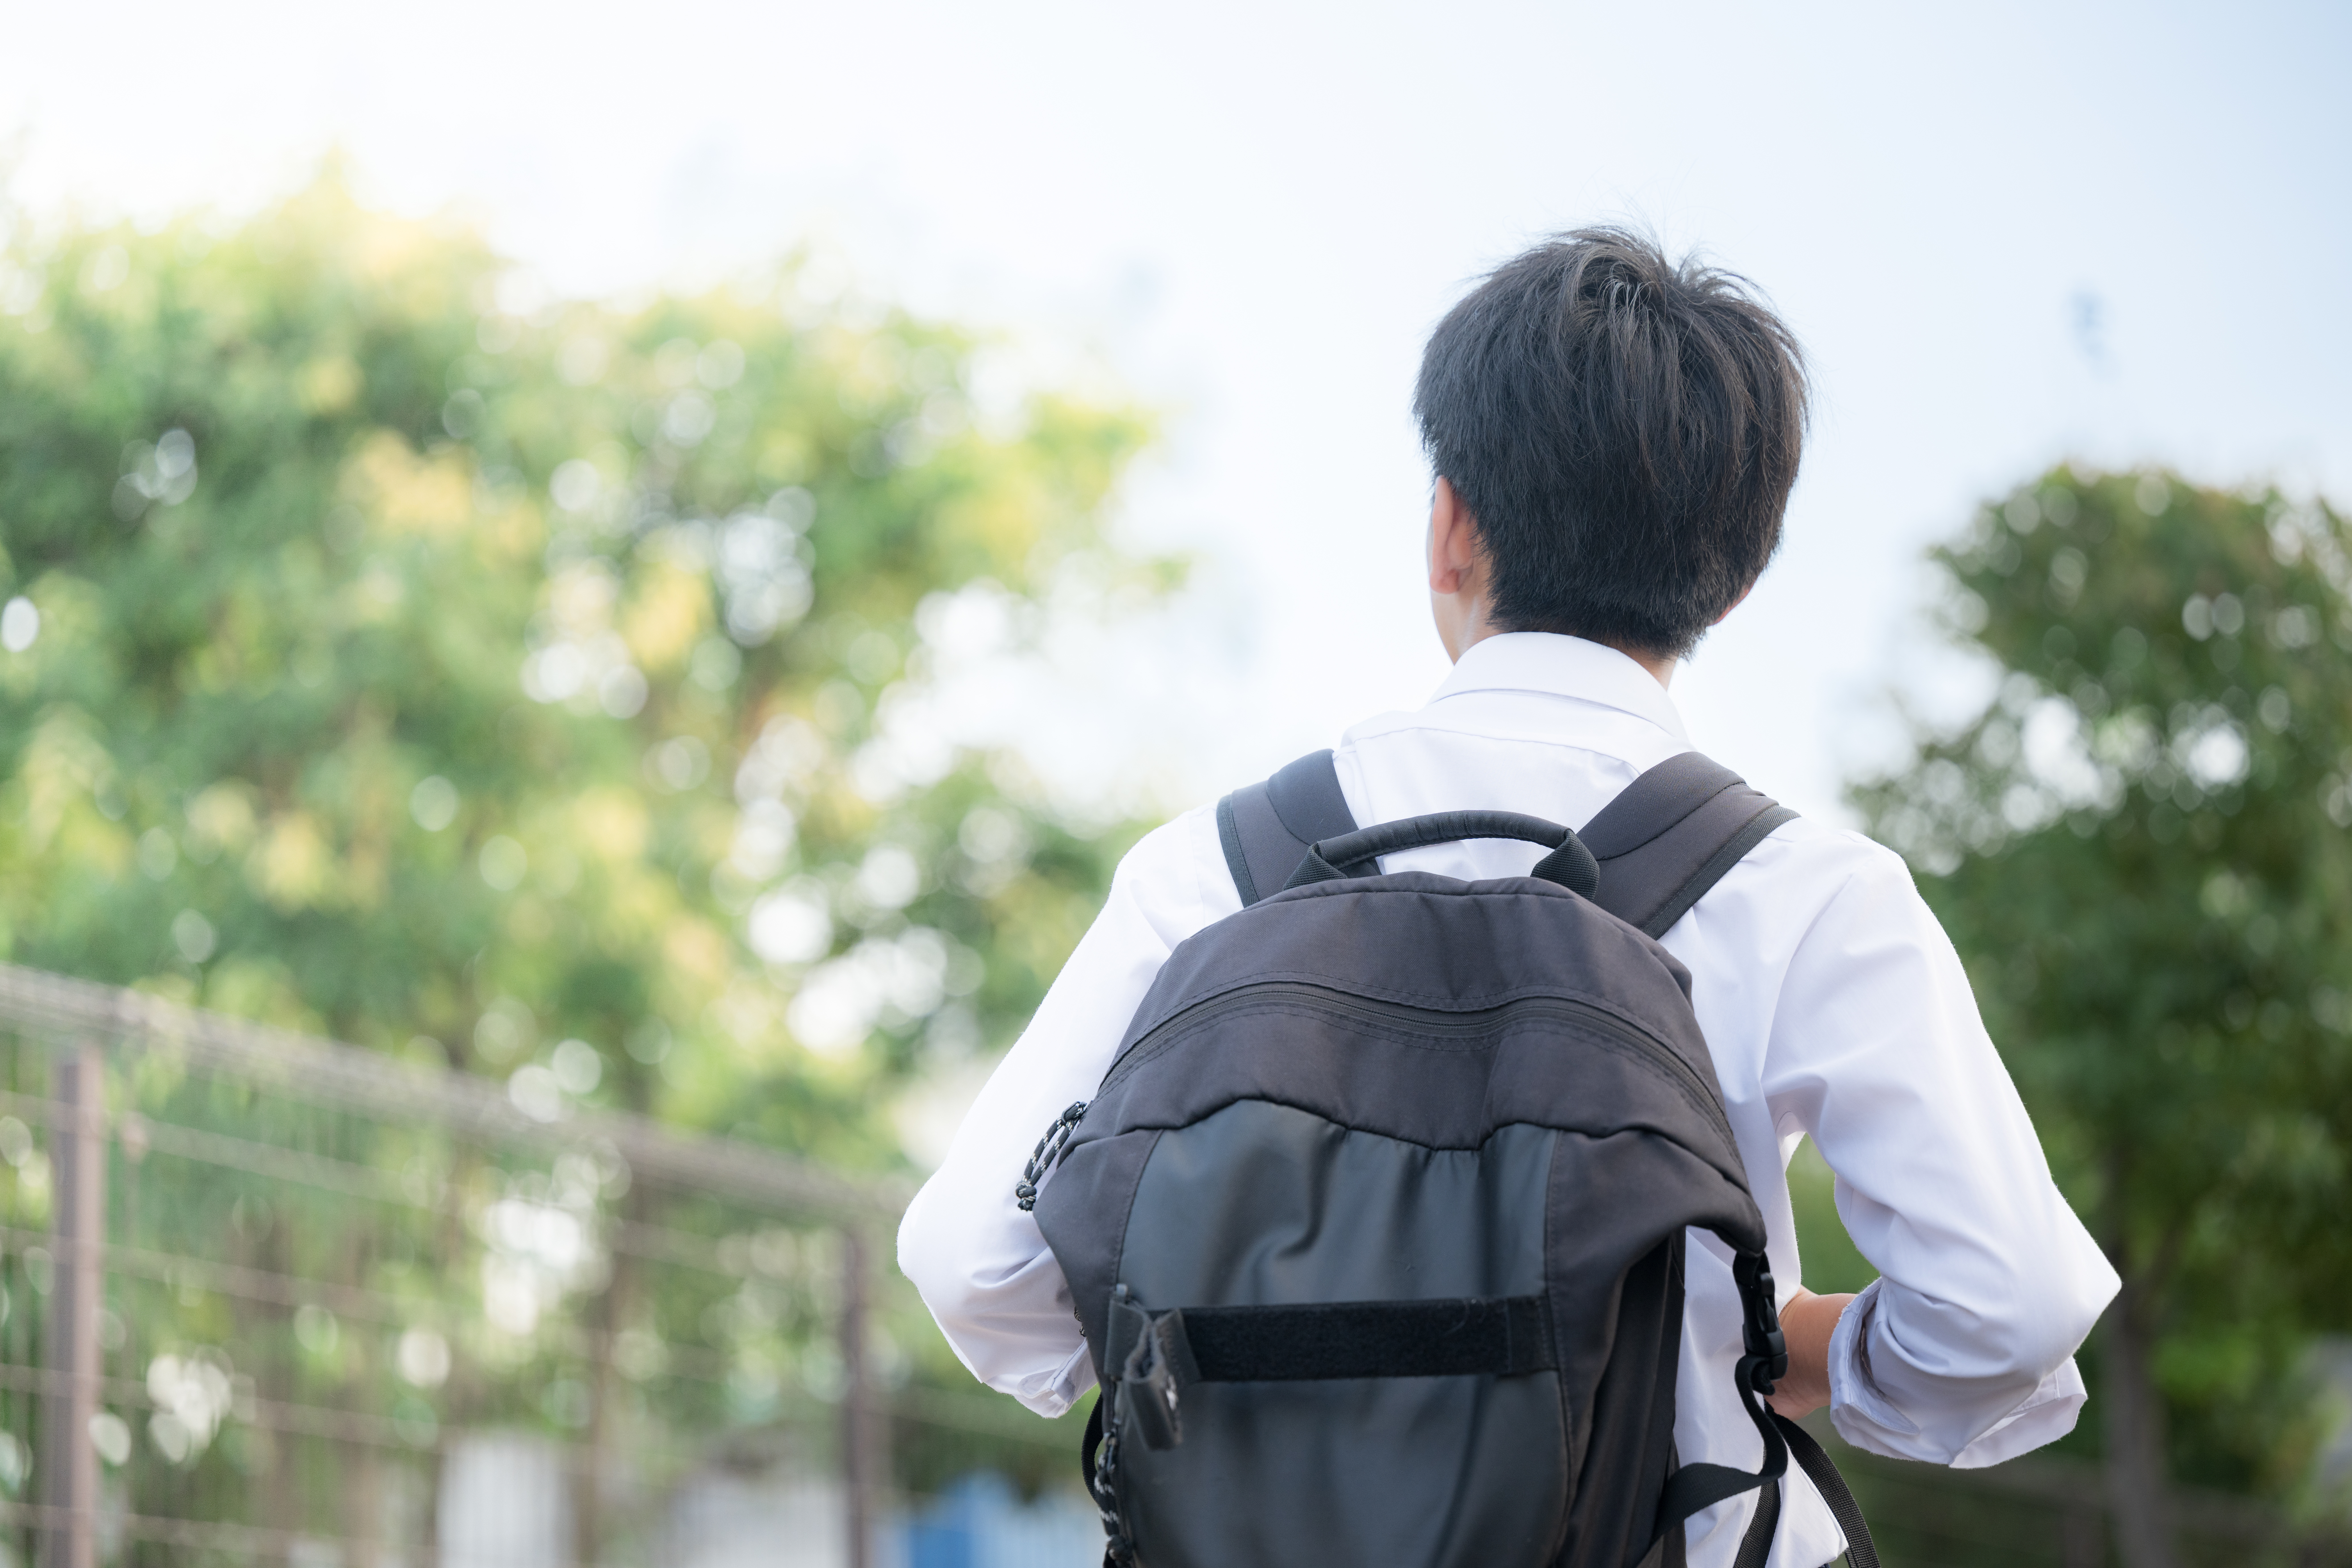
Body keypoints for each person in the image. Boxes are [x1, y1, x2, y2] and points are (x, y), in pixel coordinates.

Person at [898, 228, 2119, 1567]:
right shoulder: (1808, 892)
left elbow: (973, 1260)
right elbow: (2007, 1307)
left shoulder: (1213, 871)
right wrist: (1792, 1343)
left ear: (1450, 525)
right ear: (1736, 578)